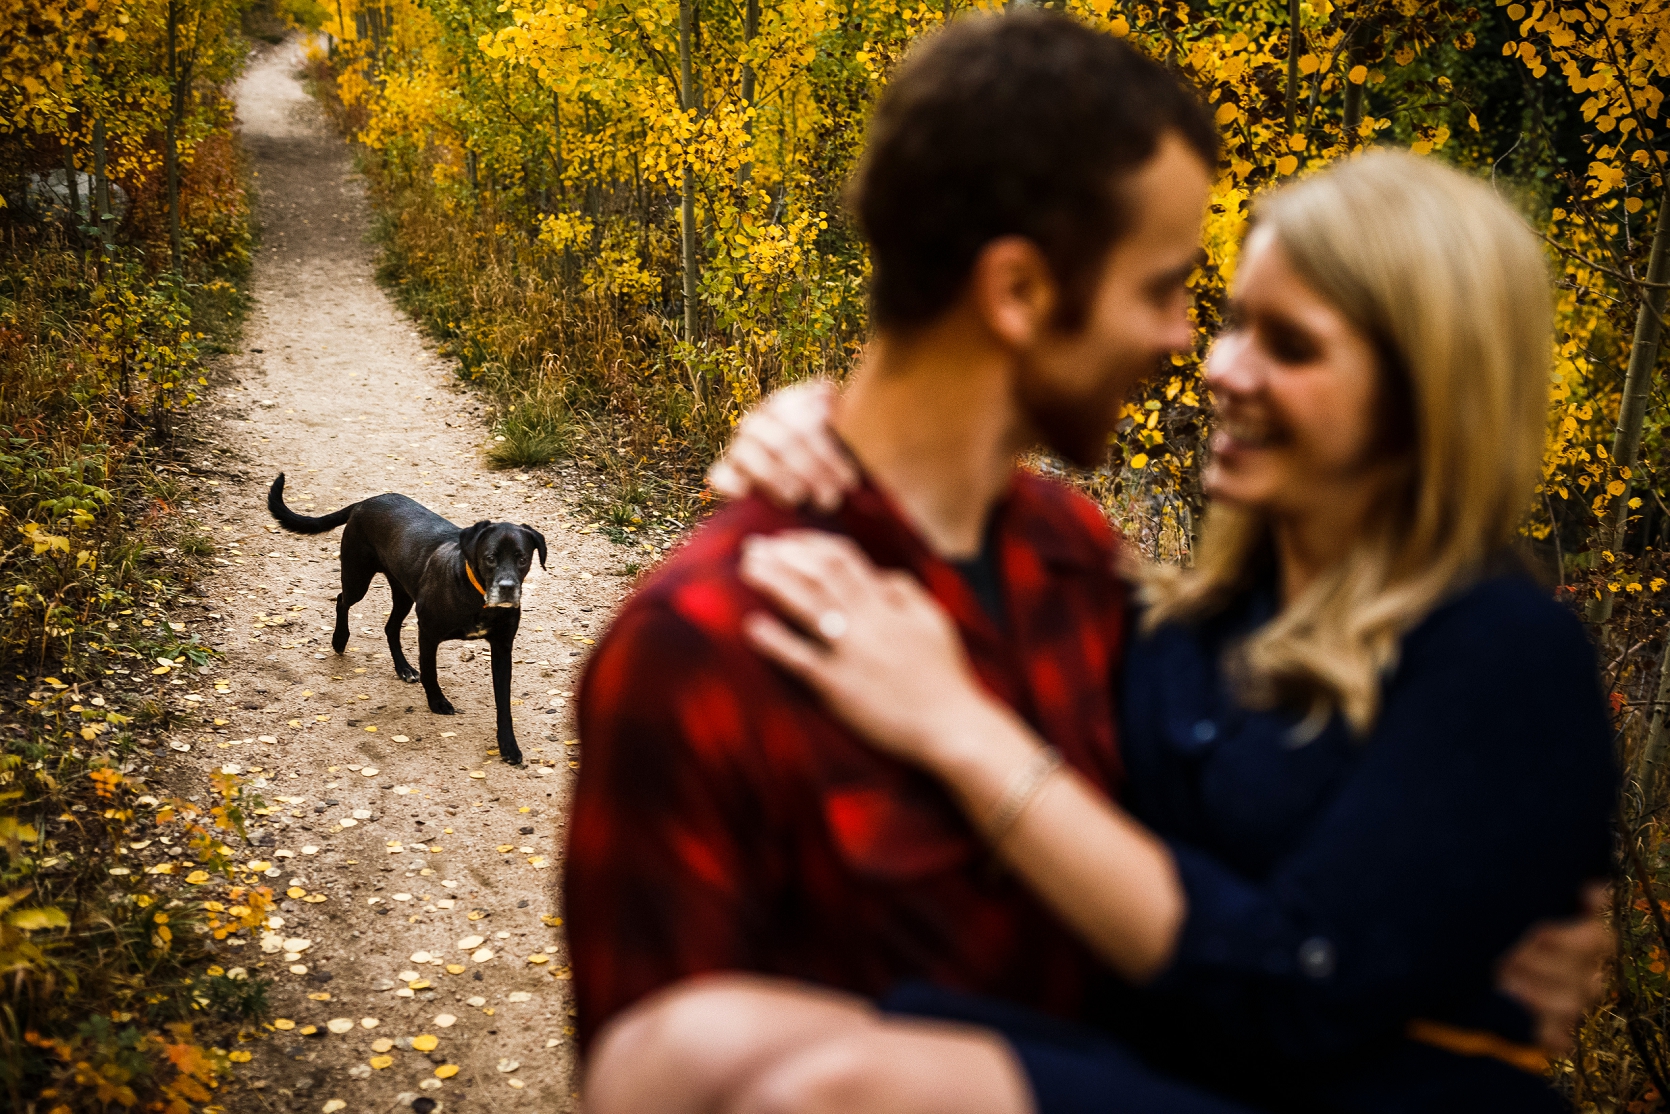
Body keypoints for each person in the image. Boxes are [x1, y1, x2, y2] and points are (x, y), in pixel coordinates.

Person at [568, 11, 1613, 1113]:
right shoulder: (709, 640)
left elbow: (1303, 936)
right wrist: (804, 419)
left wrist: (1473, 932)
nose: (1194, 351)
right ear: (1017, 293)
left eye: (1277, 337)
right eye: (1168, 291)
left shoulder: (1078, 570)